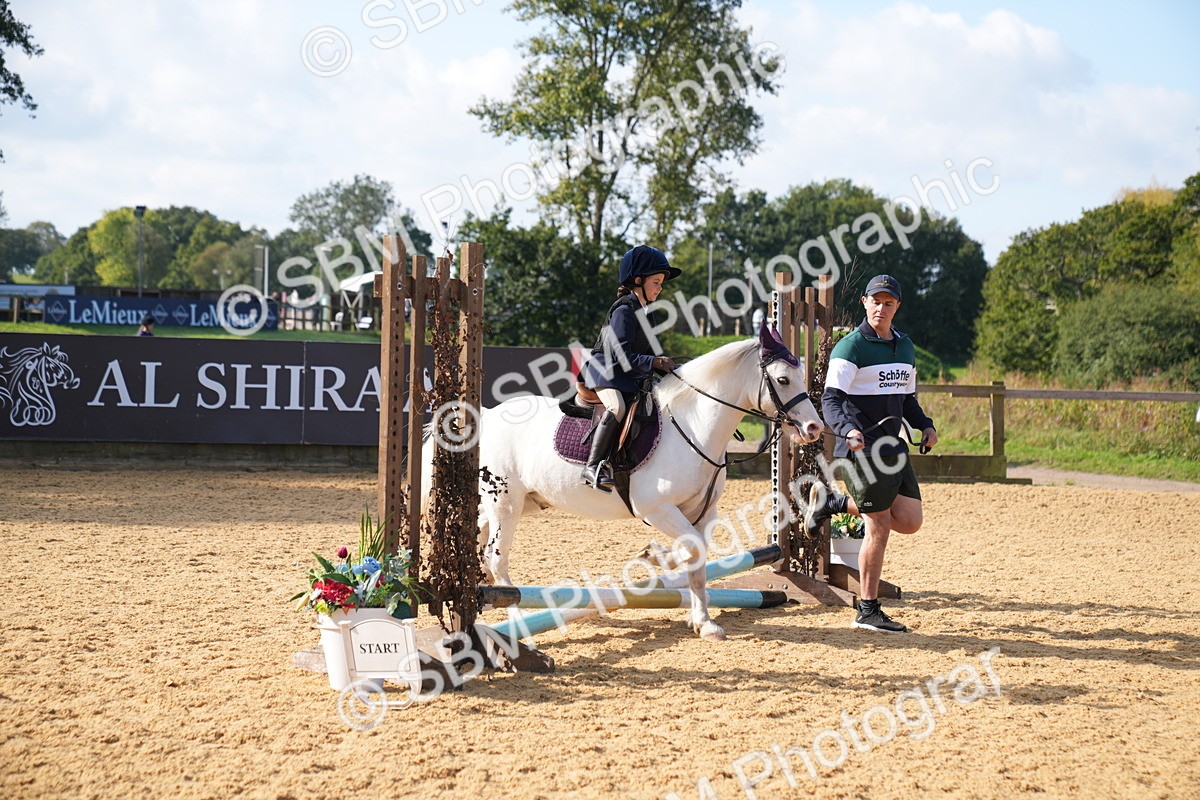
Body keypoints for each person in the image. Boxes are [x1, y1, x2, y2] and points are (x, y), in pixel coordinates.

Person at [805, 274, 938, 633]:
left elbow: (907, 399)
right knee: (878, 523)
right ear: (864, 303)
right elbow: (830, 399)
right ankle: (867, 609)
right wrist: (848, 430)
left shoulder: (905, 347)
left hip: (891, 447)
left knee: (909, 520)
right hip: (858, 449)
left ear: (897, 307)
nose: (881, 307)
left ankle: (831, 504)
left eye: (888, 302)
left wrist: (925, 425)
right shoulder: (851, 347)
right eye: (875, 301)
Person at [579, 245, 681, 492]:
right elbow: (621, 354)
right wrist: (654, 362)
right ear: (638, 281)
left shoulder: (647, 314)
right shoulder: (624, 310)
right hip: (604, 371)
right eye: (656, 282)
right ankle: (592, 467)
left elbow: (649, 353)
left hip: (625, 374)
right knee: (617, 407)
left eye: (660, 283)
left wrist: (672, 369)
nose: (660, 288)